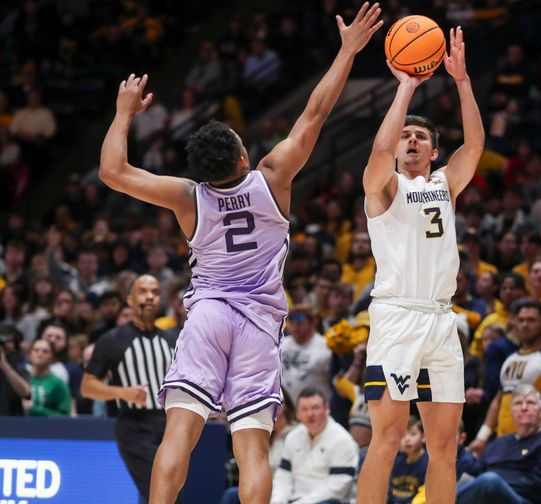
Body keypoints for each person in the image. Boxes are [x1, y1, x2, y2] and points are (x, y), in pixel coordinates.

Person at [97, 5, 382, 503]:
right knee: (252, 448)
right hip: (258, 323)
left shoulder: (188, 196)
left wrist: (123, 113)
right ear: (244, 156)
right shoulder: (273, 177)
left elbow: (113, 172)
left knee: (178, 435)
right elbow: (315, 113)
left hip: (207, 314)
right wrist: (347, 50)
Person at [358, 26, 484, 504]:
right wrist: (406, 86)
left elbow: (473, 146)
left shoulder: (444, 185)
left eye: (420, 137)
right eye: (405, 135)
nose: (410, 141)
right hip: (397, 317)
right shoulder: (385, 185)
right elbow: (378, 152)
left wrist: (462, 81)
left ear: (433, 152)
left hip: (441, 319)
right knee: (387, 439)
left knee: (445, 446)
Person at [80, 275, 178, 501]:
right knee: (163, 491)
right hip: (136, 426)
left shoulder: (173, 339)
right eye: (143, 292)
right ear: (130, 299)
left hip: (171, 426)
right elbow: (87, 387)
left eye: (154, 292)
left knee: (162, 493)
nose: (150, 297)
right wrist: (122, 393)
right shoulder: (112, 340)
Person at [469, 300, 541, 450]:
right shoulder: (510, 359)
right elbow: (498, 400)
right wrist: (482, 438)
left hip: (534, 442)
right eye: (520, 320)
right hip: (503, 441)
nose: (524, 325)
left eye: (531, 320)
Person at [457, 385, 541, 504]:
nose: (524, 407)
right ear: (512, 412)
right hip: (490, 493)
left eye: (530, 403)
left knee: (490, 481)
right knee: (463, 480)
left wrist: (499, 481)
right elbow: (477, 470)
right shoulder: (500, 442)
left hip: (524, 499)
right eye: (518, 403)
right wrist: (455, 448)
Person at [271, 387, 359, 504]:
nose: (310, 414)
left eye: (315, 408)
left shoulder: (342, 440)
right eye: (304, 409)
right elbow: (283, 476)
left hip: (328, 501)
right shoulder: (293, 437)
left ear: (327, 409)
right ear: (298, 414)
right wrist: (278, 500)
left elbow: (337, 488)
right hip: (294, 499)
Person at [23, 339, 70, 416]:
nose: (40, 354)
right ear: (30, 354)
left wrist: (35, 409)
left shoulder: (58, 383)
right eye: (36, 350)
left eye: (45, 351)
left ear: (52, 357)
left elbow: (65, 416)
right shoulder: (21, 378)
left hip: (47, 427)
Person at [388, 417, 429, 504]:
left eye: (413, 434)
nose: (407, 439)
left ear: (423, 437)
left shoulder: (428, 464)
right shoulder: (396, 462)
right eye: (403, 435)